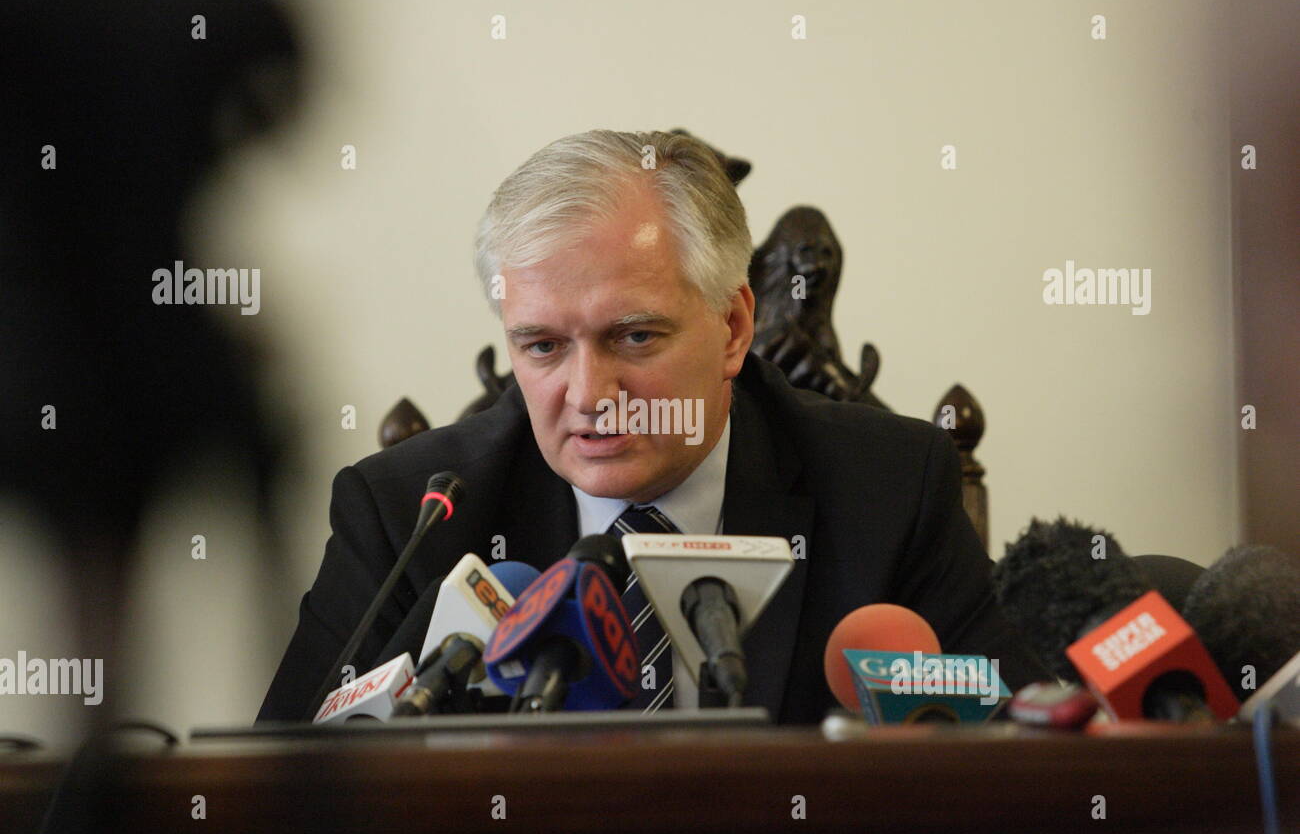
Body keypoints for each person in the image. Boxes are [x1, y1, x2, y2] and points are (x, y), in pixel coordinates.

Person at [258, 129, 1047, 724]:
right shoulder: (410, 513)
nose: (590, 393)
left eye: (634, 336)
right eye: (542, 346)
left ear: (734, 327)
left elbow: (1006, 749)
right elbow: (284, 789)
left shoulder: (888, 488)